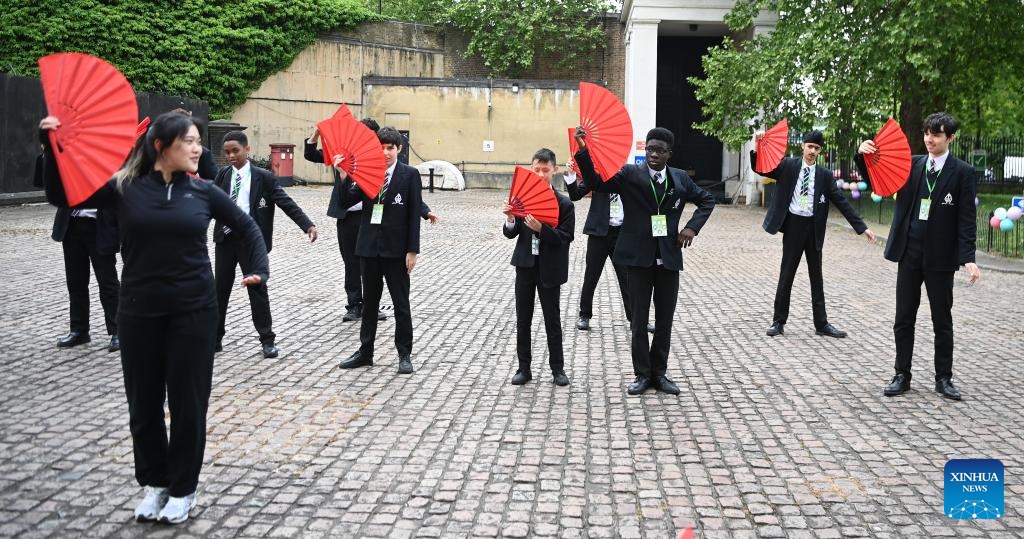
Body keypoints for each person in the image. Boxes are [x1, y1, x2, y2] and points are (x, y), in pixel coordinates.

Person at [41, 111, 269, 524]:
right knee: (143, 405)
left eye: (200, 141)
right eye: (189, 141)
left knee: (188, 404)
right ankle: (155, 483)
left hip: (194, 312)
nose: (199, 148)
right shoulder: (125, 189)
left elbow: (247, 227)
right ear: (161, 146)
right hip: (139, 312)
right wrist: (52, 147)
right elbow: (64, 196)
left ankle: (183, 488)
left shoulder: (203, 192)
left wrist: (260, 269)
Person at [574, 126, 715, 396]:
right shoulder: (630, 174)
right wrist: (584, 152)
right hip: (637, 259)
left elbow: (707, 200)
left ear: (669, 154)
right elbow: (594, 182)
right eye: (650, 149)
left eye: (659, 150)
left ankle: (659, 373)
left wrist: (691, 228)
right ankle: (642, 374)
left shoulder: (681, 179)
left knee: (665, 320)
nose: (653, 154)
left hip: (669, 259)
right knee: (639, 321)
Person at [855, 112, 981, 400]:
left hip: (940, 258)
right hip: (909, 252)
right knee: (903, 317)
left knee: (942, 320)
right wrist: (862, 157)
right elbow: (878, 181)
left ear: (950, 138)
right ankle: (902, 374)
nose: (929, 139)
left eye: (936, 134)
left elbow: (966, 219)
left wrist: (968, 257)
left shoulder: (962, 173)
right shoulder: (910, 165)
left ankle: (944, 378)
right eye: (926, 133)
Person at [752, 130, 875, 338]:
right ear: (803, 146)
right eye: (810, 146)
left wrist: (862, 227)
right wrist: (756, 146)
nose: (812, 151)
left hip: (814, 228)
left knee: (816, 277)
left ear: (820, 151)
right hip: (793, 226)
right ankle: (778, 321)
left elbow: (842, 202)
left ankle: (822, 324)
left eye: (817, 148)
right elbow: (761, 168)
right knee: (787, 274)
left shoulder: (825, 176)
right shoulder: (787, 166)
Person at [213, 131, 317, 358]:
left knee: (257, 289)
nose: (231, 156)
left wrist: (307, 225)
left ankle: (267, 340)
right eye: (227, 152)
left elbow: (286, 202)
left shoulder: (264, 177)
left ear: (247, 150)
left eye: (235, 151)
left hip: (250, 242)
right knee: (219, 290)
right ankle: (215, 337)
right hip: (225, 240)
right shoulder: (222, 176)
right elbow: (209, 205)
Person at [336, 126, 422, 374]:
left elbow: (413, 214)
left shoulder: (409, 175)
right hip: (369, 248)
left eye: (389, 148)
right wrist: (343, 175)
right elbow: (346, 201)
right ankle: (366, 351)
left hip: (396, 251)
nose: (384, 153)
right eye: (381, 147)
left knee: (401, 304)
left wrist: (412, 250)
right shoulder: (368, 173)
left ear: (399, 149)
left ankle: (404, 353)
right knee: (370, 304)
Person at [32, 151, 120, 352]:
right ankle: (79, 330)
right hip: (71, 225)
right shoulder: (68, 159)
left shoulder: (110, 158)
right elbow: (41, 182)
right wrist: (48, 152)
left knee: (108, 282)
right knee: (76, 282)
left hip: (100, 227)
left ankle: (118, 330)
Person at [502, 149, 575, 386]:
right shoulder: (522, 198)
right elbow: (510, 234)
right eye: (536, 169)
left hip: (550, 267)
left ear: (554, 170)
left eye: (545, 170)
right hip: (525, 264)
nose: (541, 174)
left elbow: (566, 237)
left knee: (552, 319)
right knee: (523, 319)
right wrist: (511, 218)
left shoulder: (564, 203)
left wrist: (542, 230)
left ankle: (558, 369)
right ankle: (524, 368)